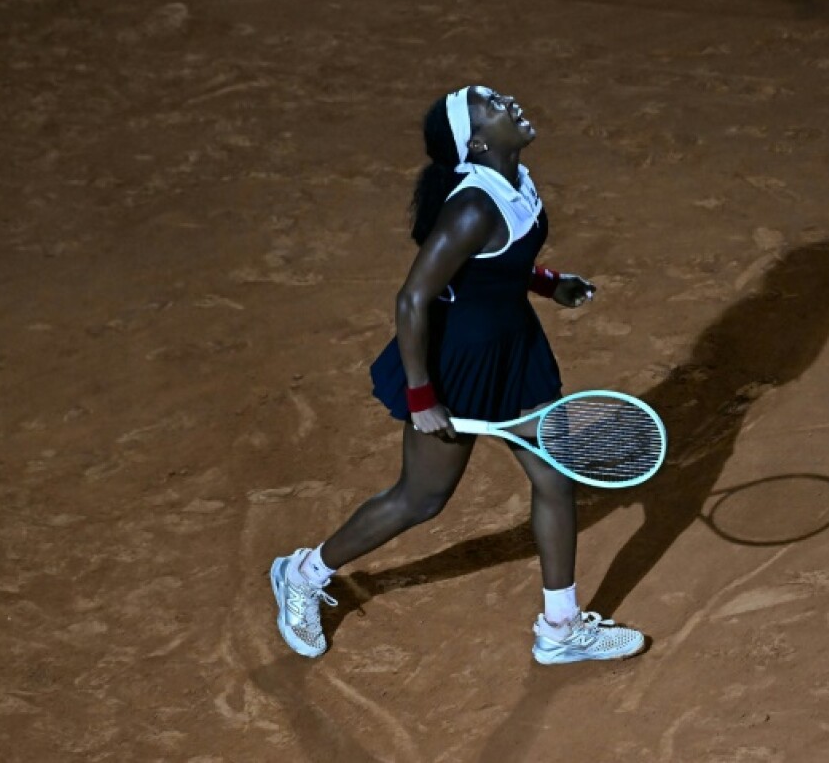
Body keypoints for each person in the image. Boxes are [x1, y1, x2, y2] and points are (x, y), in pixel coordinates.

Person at [270, 86, 644, 665]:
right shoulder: (472, 206)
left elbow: (497, 263)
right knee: (421, 499)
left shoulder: (517, 181)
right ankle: (303, 572)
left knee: (554, 478)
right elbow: (413, 298)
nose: (509, 101)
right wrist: (422, 395)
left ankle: (560, 627)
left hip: (515, 352)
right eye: (489, 104)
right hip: (456, 365)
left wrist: (548, 283)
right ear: (476, 140)